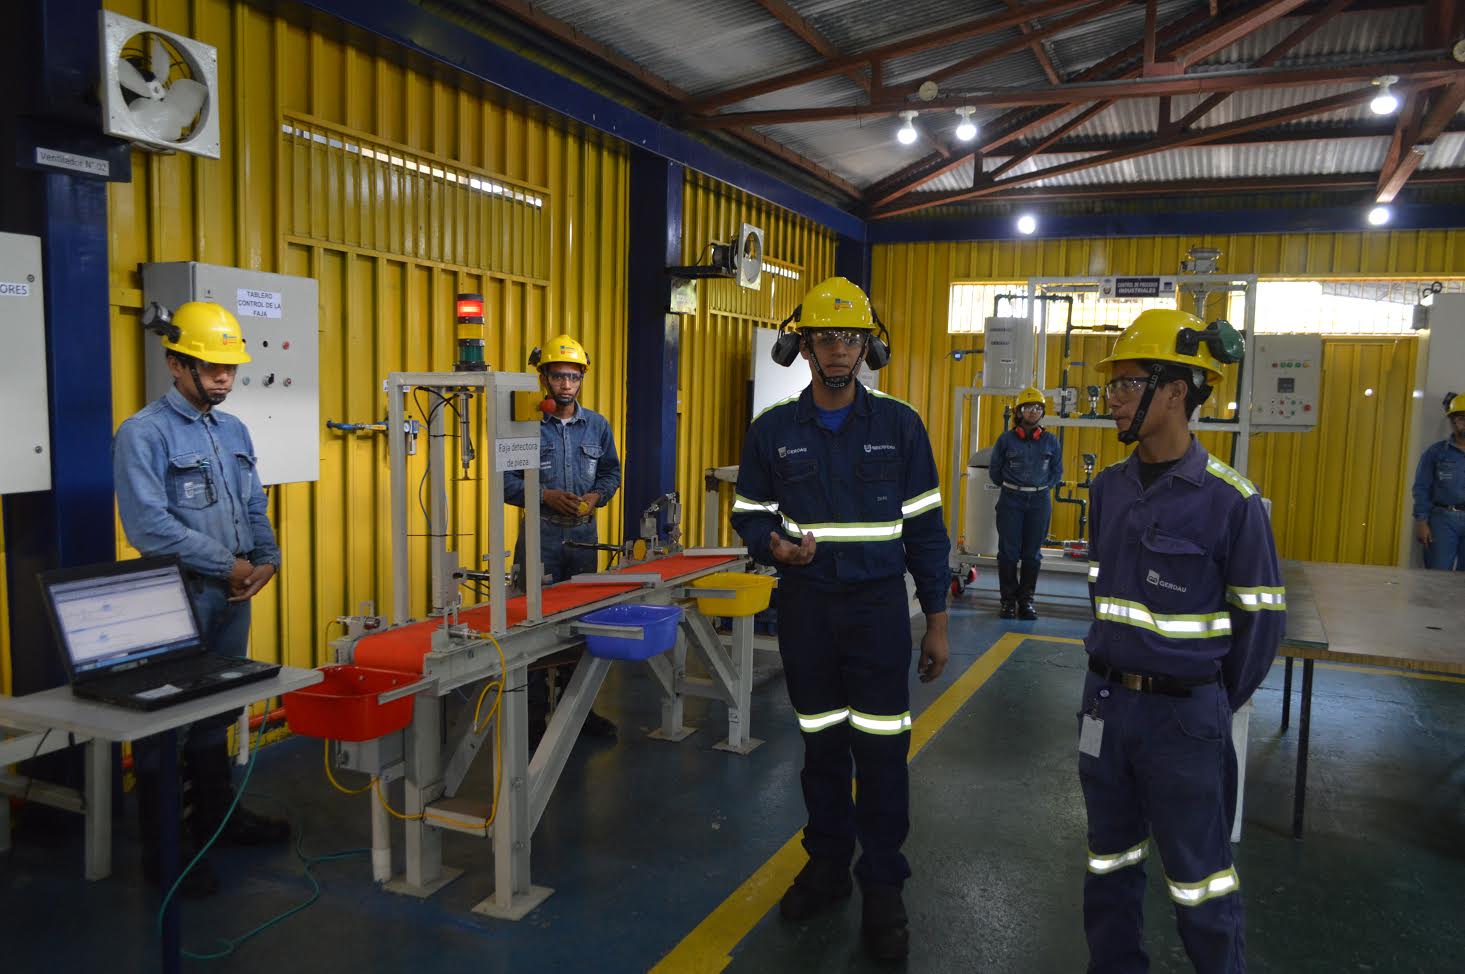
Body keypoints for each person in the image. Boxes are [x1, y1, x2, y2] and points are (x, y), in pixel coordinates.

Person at [730, 277, 950, 963]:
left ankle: (882, 885)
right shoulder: (772, 431)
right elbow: (748, 509)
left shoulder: (899, 425)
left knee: (882, 753)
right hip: (806, 610)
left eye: (849, 337)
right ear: (803, 346)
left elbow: (927, 530)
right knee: (821, 747)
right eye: (824, 337)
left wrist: (936, 620)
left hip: (879, 613)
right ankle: (826, 865)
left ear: (866, 346)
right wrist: (771, 543)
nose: (837, 350)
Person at [1080, 308, 1285, 974]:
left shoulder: (1232, 502)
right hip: (1105, 706)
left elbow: (1258, 627)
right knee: (1107, 861)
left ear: (1175, 391)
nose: (1110, 398)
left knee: (1199, 881)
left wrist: (1201, 703)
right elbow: (1099, 592)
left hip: (1183, 720)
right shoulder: (1106, 489)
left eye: (1126, 383)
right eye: (1109, 385)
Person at [113, 301, 289, 897]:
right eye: (209, 366)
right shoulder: (144, 434)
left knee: (219, 707)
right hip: (176, 597)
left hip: (234, 594)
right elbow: (148, 526)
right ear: (174, 364)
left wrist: (267, 561)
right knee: (167, 722)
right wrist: (228, 564)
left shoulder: (233, 431)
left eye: (229, 368)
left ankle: (218, 820)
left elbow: (253, 503)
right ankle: (167, 853)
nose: (222, 378)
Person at [504, 334, 622, 740]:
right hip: (541, 538)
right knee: (531, 626)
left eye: (573, 377)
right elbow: (504, 482)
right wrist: (545, 496)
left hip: (584, 542)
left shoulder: (599, 426)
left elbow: (611, 473)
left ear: (582, 379)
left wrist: (595, 496)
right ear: (544, 379)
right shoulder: (523, 425)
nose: (566, 385)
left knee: (581, 625)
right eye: (558, 377)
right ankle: (534, 718)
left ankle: (580, 711)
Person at [988, 384, 1062, 619]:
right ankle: (1008, 602)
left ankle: (1027, 601)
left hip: (1039, 501)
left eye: (1038, 408)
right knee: (1008, 553)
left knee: (1032, 554)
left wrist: (1040, 488)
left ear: (1043, 412)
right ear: (1019, 412)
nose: (1033, 412)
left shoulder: (1051, 441)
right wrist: (1015, 487)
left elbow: (1056, 472)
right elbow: (995, 472)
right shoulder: (1006, 440)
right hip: (1011, 500)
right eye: (1028, 407)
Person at [1410, 392, 1465, 571]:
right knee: (1437, 574)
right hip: (1442, 520)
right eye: (1462, 418)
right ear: (1452, 421)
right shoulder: (1436, 453)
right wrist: (1421, 521)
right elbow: (1421, 488)